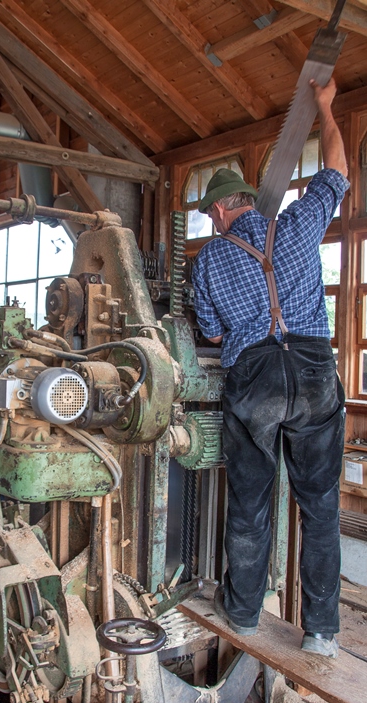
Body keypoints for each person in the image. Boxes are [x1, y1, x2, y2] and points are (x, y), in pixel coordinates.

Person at [192, 78, 349, 659]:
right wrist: (327, 108)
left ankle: (244, 614)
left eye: (211, 214)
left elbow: (209, 332)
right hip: (311, 370)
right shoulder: (299, 222)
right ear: (250, 199)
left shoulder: (209, 258)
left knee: (252, 503)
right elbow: (336, 170)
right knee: (320, 505)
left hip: (253, 378)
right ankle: (323, 633)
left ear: (218, 210)